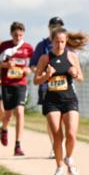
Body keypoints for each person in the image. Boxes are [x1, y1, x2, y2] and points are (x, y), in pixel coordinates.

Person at [33, 27, 89, 175]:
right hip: (52, 101)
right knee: (58, 136)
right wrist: (47, 75)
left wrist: (75, 73)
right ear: (51, 42)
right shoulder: (45, 58)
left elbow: (81, 78)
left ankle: (69, 157)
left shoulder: (72, 56)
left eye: (62, 42)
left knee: (71, 134)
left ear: (66, 42)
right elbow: (36, 80)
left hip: (69, 99)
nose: (59, 45)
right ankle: (59, 167)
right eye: (57, 42)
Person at [0, 21, 35, 156]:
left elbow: (34, 65)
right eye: (16, 35)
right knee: (8, 115)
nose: (18, 37)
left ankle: (18, 145)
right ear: (11, 34)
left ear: (23, 34)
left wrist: (29, 69)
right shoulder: (4, 46)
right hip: (7, 83)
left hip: (21, 83)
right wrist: (5, 65)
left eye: (20, 35)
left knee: (20, 111)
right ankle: (3, 128)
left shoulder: (28, 47)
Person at [31, 16, 67, 159]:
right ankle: (55, 145)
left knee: (65, 117)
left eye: (59, 25)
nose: (56, 28)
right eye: (54, 26)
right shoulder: (42, 45)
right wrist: (44, 74)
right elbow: (33, 66)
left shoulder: (65, 43)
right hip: (47, 85)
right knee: (51, 119)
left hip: (65, 86)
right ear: (49, 28)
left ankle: (61, 144)